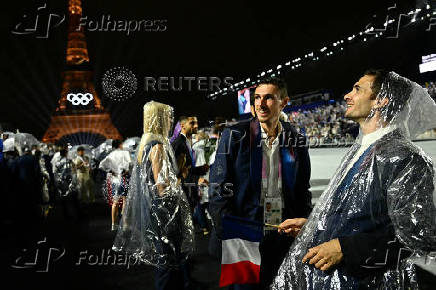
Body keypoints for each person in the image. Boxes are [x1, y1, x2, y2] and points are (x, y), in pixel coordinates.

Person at [272, 70, 436, 289]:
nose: (347, 96)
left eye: (357, 89)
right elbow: (354, 216)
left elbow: (417, 236)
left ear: (380, 101)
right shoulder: (360, 149)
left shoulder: (406, 158)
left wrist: (347, 248)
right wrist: (315, 227)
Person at [209, 76, 312, 289]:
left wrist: (304, 227)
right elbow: (219, 190)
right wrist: (229, 234)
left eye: (268, 98)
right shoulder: (234, 135)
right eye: (257, 98)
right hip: (244, 235)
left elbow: (303, 190)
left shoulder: (296, 139)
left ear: (284, 102)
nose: (260, 104)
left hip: (283, 233)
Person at [112, 101, 194, 290]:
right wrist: (180, 176)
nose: (170, 121)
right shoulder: (157, 147)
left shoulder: (145, 145)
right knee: (167, 263)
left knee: (164, 260)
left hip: (154, 212)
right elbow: (162, 187)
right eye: (167, 117)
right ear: (159, 119)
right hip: (164, 214)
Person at [171, 116, 209, 212]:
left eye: (196, 123)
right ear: (182, 125)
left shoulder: (187, 142)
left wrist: (201, 169)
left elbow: (187, 167)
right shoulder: (178, 143)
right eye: (192, 123)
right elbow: (176, 172)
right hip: (183, 193)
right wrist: (196, 179)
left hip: (189, 191)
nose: (196, 125)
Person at [99, 139, 132, 231]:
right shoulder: (125, 153)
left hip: (114, 180)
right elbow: (129, 165)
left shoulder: (111, 155)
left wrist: (110, 171)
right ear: (120, 145)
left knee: (115, 201)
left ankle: (113, 224)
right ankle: (125, 224)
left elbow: (101, 165)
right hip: (124, 178)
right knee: (125, 200)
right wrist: (126, 170)